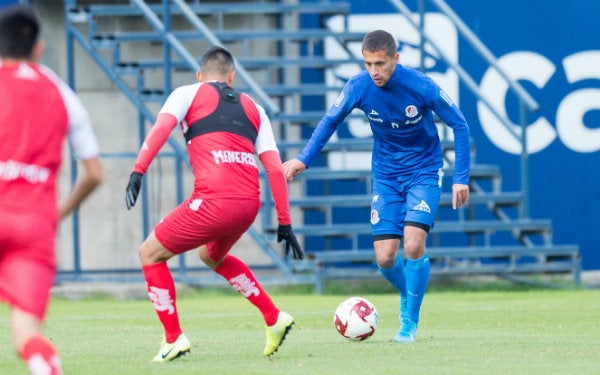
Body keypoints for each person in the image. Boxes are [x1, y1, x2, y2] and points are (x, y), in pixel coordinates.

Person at [283, 30, 470, 343]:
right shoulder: (358, 86)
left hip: (423, 171)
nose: (374, 71)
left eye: (380, 64)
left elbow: (459, 124)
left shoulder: (421, 85)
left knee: (412, 245)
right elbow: (330, 121)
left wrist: (460, 177)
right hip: (385, 175)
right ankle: (408, 292)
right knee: (385, 257)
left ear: (395, 59)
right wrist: (304, 158)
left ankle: (409, 321)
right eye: (368, 63)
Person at [125, 45, 304, 362]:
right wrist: (285, 221)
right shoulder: (254, 107)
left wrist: (139, 170)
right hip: (249, 205)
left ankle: (173, 338)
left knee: (149, 254)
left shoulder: (187, 94)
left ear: (199, 75)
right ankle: (274, 317)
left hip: (213, 201)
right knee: (211, 255)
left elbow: (161, 129)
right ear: (232, 77)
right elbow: (275, 169)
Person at [0, 5, 104, 375]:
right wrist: (57, 214)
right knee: (26, 334)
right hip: (36, 225)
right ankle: (45, 365)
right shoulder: (60, 91)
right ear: (39, 48)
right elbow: (94, 172)